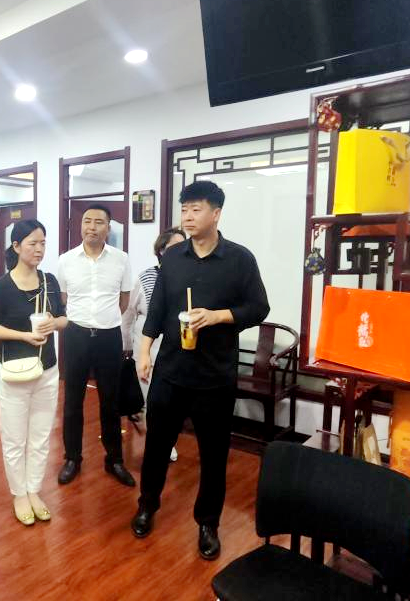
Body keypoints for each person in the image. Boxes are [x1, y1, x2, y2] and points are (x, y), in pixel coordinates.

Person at [130, 181, 269, 561]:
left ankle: (208, 523)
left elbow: (259, 307)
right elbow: (157, 309)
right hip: (171, 371)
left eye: (196, 209)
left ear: (216, 213)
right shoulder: (173, 258)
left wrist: (218, 316)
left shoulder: (240, 259)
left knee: (214, 455)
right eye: (184, 209)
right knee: (157, 447)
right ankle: (147, 506)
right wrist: (144, 351)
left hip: (215, 377)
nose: (188, 217)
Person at [0, 220, 67, 526]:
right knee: (15, 439)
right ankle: (19, 494)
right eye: (33, 243)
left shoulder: (50, 281)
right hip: (14, 371)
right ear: (16, 246)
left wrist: (54, 323)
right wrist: (23, 336)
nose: (39, 249)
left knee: (41, 436)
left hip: (47, 369)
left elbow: (64, 319)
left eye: (43, 243)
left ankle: (34, 490)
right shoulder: (3, 286)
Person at [55, 204, 135, 487]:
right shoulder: (65, 260)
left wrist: (103, 318)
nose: (91, 227)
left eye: (98, 222)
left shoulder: (121, 260)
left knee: (110, 401)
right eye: (87, 221)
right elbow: (63, 299)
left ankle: (114, 459)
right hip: (76, 334)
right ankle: (72, 458)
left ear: (108, 228)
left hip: (109, 336)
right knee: (72, 400)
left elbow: (124, 301)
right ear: (81, 225)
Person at [121, 227, 186, 461]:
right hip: (147, 349)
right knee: (151, 401)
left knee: (172, 402)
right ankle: (157, 445)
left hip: (178, 351)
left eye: (183, 247)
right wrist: (127, 346)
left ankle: (167, 442)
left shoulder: (188, 277)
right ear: (161, 250)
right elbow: (128, 315)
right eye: (173, 247)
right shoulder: (146, 278)